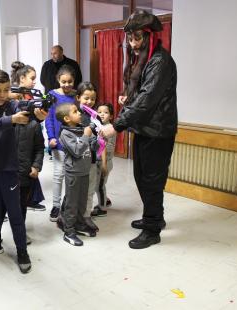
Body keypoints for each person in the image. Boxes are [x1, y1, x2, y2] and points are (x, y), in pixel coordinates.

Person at [112, 10, 177, 249]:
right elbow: (141, 94)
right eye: (130, 38)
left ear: (149, 36)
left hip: (158, 132)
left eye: (137, 38)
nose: (133, 43)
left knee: (152, 180)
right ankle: (155, 218)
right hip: (144, 128)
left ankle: (152, 230)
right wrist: (127, 98)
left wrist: (117, 124)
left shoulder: (160, 60)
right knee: (142, 176)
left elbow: (149, 99)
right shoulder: (146, 59)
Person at [0, 69, 46, 274]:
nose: (2, 95)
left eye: (6, 90)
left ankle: (22, 251)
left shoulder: (13, 105)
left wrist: (40, 115)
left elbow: (31, 111)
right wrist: (13, 119)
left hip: (9, 170)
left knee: (15, 214)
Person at [11, 63, 45, 243]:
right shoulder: (10, 99)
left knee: (23, 200)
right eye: (32, 78)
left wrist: (36, 165)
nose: (34, 82)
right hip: (9, 162)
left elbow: (39, 145)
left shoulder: (34, 99)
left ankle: (21, 232)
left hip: (27, 155)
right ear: (21, 78)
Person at [56, 103, 98, 246]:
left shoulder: (81, 129)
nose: (79, 113)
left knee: (81, 202)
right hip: (73, 173)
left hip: (85, 171)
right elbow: (77, 150)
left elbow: (90, 147)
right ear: (67, 118)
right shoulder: (66, 133)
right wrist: (86, 137)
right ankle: (69, 231)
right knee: (72, 204)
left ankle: (79, 225)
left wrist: (95, 139)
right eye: (75, 111)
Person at [45, 65, 76, 222]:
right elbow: (49, 118)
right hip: (58, 141)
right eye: (63, 81)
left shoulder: (76, 96)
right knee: (59, 174)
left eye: (70, 81)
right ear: (58, 80)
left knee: (71, 176)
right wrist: (51, 137)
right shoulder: (51, 95)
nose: (67, 85)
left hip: (74, 143)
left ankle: (68, 205)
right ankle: (56, 205)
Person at [75, 81, 100, 232]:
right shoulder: (74, 116)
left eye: (93, 98)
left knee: (90, 189)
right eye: (86, 98)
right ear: (78, 97)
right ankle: (68, 215)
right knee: (76, 191)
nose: (89, 101)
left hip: (91, 159)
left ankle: (86, 215)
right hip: (78, 161)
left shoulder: (95, 116)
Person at [91, 104, 116, 217]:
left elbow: (108, 147)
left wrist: (104, 164)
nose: (101, 114)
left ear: (111, 116)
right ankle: (105, 200)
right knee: (100, 183)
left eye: (105, 112)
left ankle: (102, 208)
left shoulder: (109, 128)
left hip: (104, 162)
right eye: (99, 111)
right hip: (98, 161)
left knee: (99, 186)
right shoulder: (98, 125)